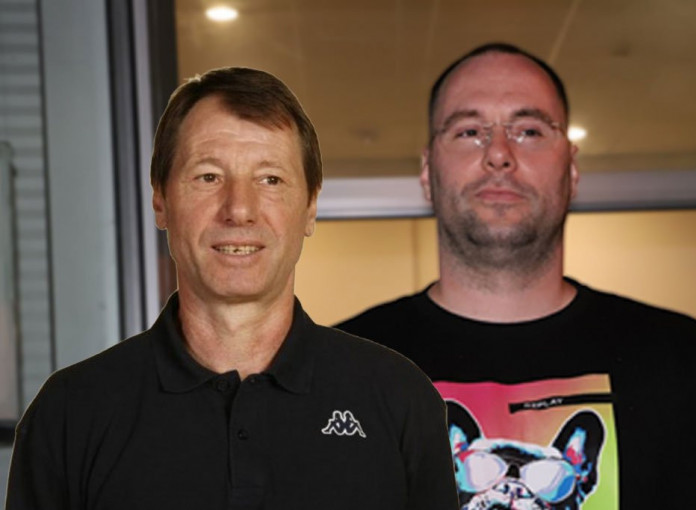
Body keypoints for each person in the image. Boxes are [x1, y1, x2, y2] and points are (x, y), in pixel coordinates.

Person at [6, 67, 458, 510]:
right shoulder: (70, 412)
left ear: (310, 207)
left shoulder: (399, 399)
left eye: (270, 179)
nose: (239, 209)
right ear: (161, 199)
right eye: (208, 177)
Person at [336, 43, 696, 509]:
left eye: (529, 131)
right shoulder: (340, 369)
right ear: (426, 170)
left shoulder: (677, 356)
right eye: (469, 131)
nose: (499, 153)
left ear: (572, 169)